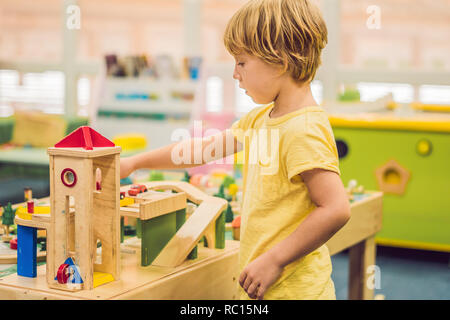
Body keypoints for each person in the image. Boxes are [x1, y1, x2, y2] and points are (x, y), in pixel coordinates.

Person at [120, 0, 351, 300]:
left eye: (241, 62)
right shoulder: (260, 119)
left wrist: (275, 260)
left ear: (279, 62)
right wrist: (136, 162)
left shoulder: (304, 129)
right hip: (266, 287)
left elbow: (335, 209)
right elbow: (202, 150)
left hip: (297, 292)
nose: (234, 73)